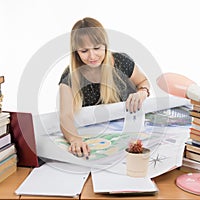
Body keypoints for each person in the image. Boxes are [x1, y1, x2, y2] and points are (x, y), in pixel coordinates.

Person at [59, 17, 150, 159]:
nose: (92, 56)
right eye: (84, 51)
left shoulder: (121, 62)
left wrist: (142, 93)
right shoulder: (69, 77)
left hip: (127, 129)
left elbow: (143, 81)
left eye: (97, 48)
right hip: (95, 135)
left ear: (105, 46)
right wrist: (75, 140)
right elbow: (65, 116)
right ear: (76, 51)